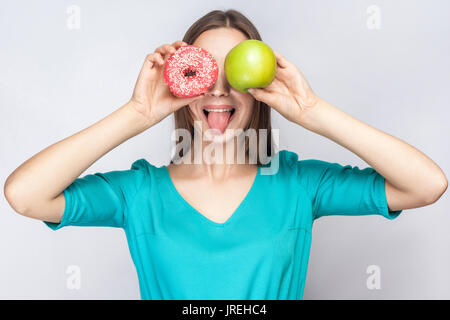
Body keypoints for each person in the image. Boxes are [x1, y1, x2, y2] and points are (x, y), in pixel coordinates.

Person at [4, 9, 447, 300]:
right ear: (182, 84)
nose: (218, 88)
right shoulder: (139, 193)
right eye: (204, 70)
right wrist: (136, 113)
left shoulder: (299, 184)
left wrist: (313, 111)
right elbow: (25, 195)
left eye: (234, 69)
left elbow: (427, 185)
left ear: (258, 89)